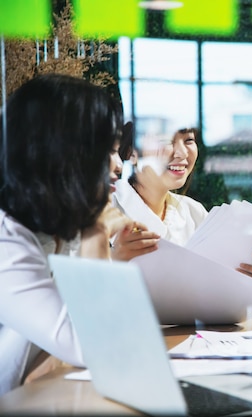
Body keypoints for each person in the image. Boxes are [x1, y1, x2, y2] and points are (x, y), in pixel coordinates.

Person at [0, 73, 140, 395]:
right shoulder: (6, 238)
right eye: (106, 150)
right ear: (61, 152)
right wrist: (97, 233)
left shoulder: (55, 229)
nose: (118, 165)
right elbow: (96, 346)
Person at [110, 127, 207, 260]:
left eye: (189, 140)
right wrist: (114, 259)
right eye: (166, 140)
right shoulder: (101, 209)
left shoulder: (195, 214)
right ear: (131, 153)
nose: (183, 153)